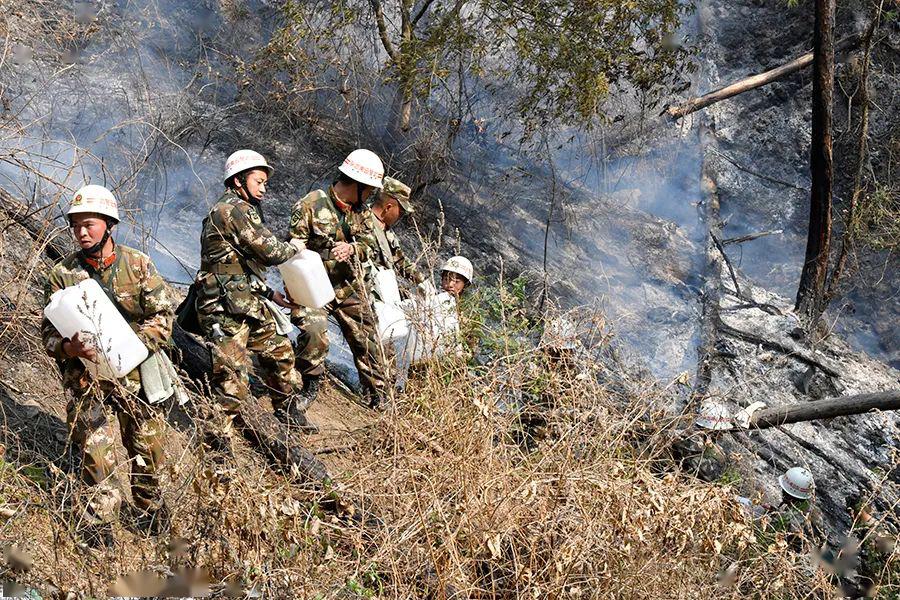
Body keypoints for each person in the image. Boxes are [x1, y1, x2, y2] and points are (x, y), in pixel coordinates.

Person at [41, 184, 174, 547]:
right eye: (76, 226)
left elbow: (163, 316)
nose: (82, 233)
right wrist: (69, 347)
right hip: (87, 381)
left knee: (148, 449)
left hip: (136, 377)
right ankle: (100, 522)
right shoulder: (61, 274)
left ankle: (151, 511)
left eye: (90, 225)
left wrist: (129, 345)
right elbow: (47, 335)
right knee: (96, 454)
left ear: (109, 225)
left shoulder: (138, 265)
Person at [194, 150, 311, 430]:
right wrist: (296, 246)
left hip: (245, 303)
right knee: (233, 384)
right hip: (224, 310)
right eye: (258, 181)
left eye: (265, 183)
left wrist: (270, 294)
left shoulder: (241, 209)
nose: (263, 188)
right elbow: (270, 251)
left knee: (280, 352)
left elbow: (239, 268)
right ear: (238, 181)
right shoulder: (233, 210)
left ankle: (287, 412)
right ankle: (214, 440)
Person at [289, 149, 388, 408]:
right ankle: (309, 385)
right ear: (357, 185)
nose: (371, 196)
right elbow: (293, 245)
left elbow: (371, 245)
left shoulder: (363, 213)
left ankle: (378, 397)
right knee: (314, 333)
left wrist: (353, 249)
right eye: (369, 190)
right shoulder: (310, 204)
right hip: (314, 287)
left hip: (348, 287)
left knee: (369, 340)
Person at [358, 176, 428, 298]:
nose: (401, 216)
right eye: (400, 212)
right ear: (388, 207)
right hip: (364, 291)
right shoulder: (362, 221)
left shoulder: (387, 232)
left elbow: (400, 261)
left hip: (382, 291)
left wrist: (422, 281)